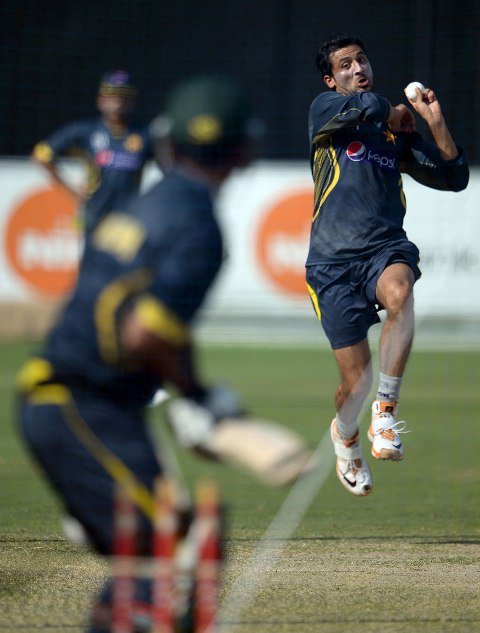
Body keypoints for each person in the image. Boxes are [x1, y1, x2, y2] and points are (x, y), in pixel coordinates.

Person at [17, 75, 313, 632]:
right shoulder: (198, 227)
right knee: (181, 552)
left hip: (75, 403)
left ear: (167, 144)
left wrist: (192, 396)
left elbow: (142, 330)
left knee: (162, 554)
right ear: (244, 154)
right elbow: (145, 336)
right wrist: (201, 399)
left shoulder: (152, 203)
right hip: (79, 406)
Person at [306, 34, 469, 497]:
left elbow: (454, 178)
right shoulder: (324, 113)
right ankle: (347, 434)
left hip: (383, 249)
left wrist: (433, 123)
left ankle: (385, 411)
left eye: (362, 59)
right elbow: (372, 108)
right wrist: (393, 111)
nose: (358, 68)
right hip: (331, 266)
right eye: (345, 65)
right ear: (331, 80)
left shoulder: (391, 136)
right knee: (352, 384)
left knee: (400, 290)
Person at [32, 70, 153, 235]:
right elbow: (41, 155)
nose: (118, 102)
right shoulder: (85, 131)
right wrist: (72, 192)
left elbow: (170, 166)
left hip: (129, 216)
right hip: (94, 212)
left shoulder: (145, 134)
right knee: (92, 260)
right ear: (100, 101)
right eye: (112, 96)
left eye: (123, 97)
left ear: (132, 101)